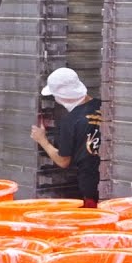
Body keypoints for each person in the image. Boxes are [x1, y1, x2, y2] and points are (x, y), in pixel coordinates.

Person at [30, 67, 103, 208]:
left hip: (90, 189)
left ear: (62, 96)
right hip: (108, 184)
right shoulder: (103, 106)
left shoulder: (70, 121)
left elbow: (63, 161)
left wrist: (42, 140)